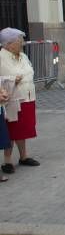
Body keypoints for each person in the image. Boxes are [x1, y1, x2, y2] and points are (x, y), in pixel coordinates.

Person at [0, 28, 39, 173]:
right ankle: (7, 161)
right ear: (8, 44)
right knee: (10, 130)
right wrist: (11, 79)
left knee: (22, 129)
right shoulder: (1, 57)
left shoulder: (22, 56)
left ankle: (23, 156)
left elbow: (30, 72)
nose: (22, 43)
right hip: (10, 99)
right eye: (19, 41)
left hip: (27, 97)